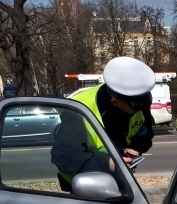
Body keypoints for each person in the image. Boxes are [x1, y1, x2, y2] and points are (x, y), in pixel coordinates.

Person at [52, 56, 156, 191]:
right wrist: (108, 163)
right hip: (83, 187)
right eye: (135, 109)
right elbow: (63, 158)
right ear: (115, 101)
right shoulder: (79, 109)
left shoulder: (136, 101)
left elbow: (146, 131)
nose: (139, 112)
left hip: (118, 179)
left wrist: (135, 148)